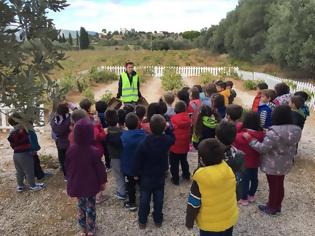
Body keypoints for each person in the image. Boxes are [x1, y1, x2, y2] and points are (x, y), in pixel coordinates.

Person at [244, 105, 302, 215]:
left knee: (273, 186)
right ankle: (277, 205)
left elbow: (262, 148)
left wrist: (251, 140)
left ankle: (272, 207)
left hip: (273, 164)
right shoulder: (296, 130)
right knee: (279, 185)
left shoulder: (273, 132)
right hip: (285, 163)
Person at [185, 139, 238, 236]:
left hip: (210, 226)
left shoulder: (200, 180)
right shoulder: (229, 170)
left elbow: (193, 204)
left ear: (201, 160)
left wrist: (189, 222)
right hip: (228, 219)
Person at [65, 118, 107, 236]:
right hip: (91, 184)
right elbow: (100, 169)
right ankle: (91, 229)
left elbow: (68, 166)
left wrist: (70, 180)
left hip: (77, 184)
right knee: (91, 207)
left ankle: (83, 230)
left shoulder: (71, 150)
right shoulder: (93, 151)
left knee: (81, 207)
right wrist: (102, 182)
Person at [134, 114, 175, 229]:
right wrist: (169, 128)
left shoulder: (143, 143)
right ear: (163, 128)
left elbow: (138, 159)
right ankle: (158, 220)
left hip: (146, 176)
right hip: (160, 175)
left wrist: (136, 173)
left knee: (144, 199)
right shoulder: (166, 140)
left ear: (150, 128)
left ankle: (142, 221)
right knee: (159, 199)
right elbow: (173, 139)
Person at [7, 113, 46, 192]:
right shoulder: (22, 131)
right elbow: (28, 141)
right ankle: (33, 186)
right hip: (25, 154)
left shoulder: (11, 132)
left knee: (19, 171)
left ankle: (20, 186)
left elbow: (12, 144)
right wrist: (32, 150)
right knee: (29, 171)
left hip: (16, 154)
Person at [234, 112, 264, 206]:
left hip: (244, 163)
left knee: (244, 180)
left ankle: (243, 198)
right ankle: (251, 195)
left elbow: (235, 136)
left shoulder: (240, 136)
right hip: (255, 162)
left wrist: (240, 126)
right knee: (254, 179)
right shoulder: (261, 135)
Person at [120, 113, 147, 211]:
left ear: (125, 125)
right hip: (141, 167)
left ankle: (132, 203)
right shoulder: (144, 134)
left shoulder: (123, 136)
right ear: (138, 123)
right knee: (142, 183)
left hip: (128, 168)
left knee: (130, 186)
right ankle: (145, 200)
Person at [215, 121, 244, 200]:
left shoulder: (213, 155)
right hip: (232, 193)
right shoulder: (239, 154)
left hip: (217, 194)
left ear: (216, 137)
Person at [105, 109, 126, 200]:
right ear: (117, 119)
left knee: (118, 176)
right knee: (126, 173)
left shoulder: (106, 134)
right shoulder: (123, 132)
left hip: (114, 157)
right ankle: (128, 188)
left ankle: (122, 193)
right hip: (125, 156)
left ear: (106, 121)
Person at [169, 101, 192, 185]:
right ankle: (186, 175)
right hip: (185, 145)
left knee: (174, 163)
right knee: (184, 161)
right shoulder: (188, 119)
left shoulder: (173, 119)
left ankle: (175, 179)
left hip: (174, 145)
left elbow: (171, 130)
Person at [50, 102, 71, 179]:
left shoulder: (54, 120)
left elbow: (53, 126)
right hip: (69, 142)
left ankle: (66, 176)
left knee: (62, 158)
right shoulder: (70, 119)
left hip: (60, 142)